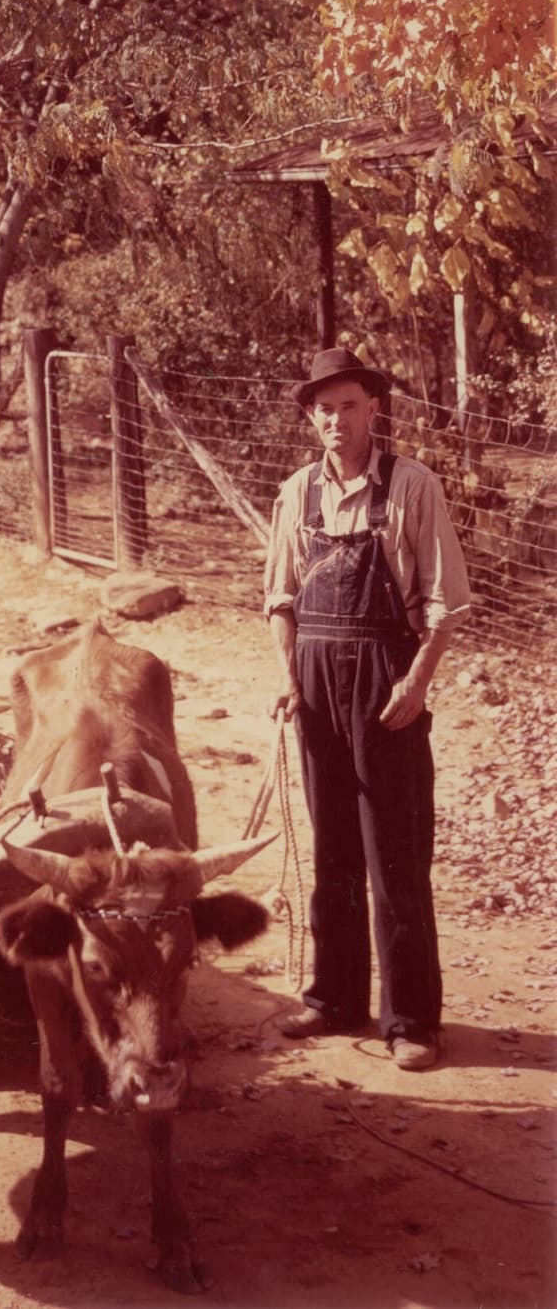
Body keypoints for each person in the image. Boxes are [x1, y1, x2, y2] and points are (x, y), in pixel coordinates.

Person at [264, 347, 471, 1070]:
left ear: (373, 408)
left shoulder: (413, 487)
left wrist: (415, 685)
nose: (336, 420)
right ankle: (334, 999)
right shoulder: (296, 493)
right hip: (317, 681)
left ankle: (412, 1019)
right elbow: (280, 599)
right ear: (310, 416)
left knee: (395, 852)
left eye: (349, 405)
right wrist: (289, 676)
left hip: (387, 679)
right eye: (323, 408)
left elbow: (445, 606)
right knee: (333, 851)